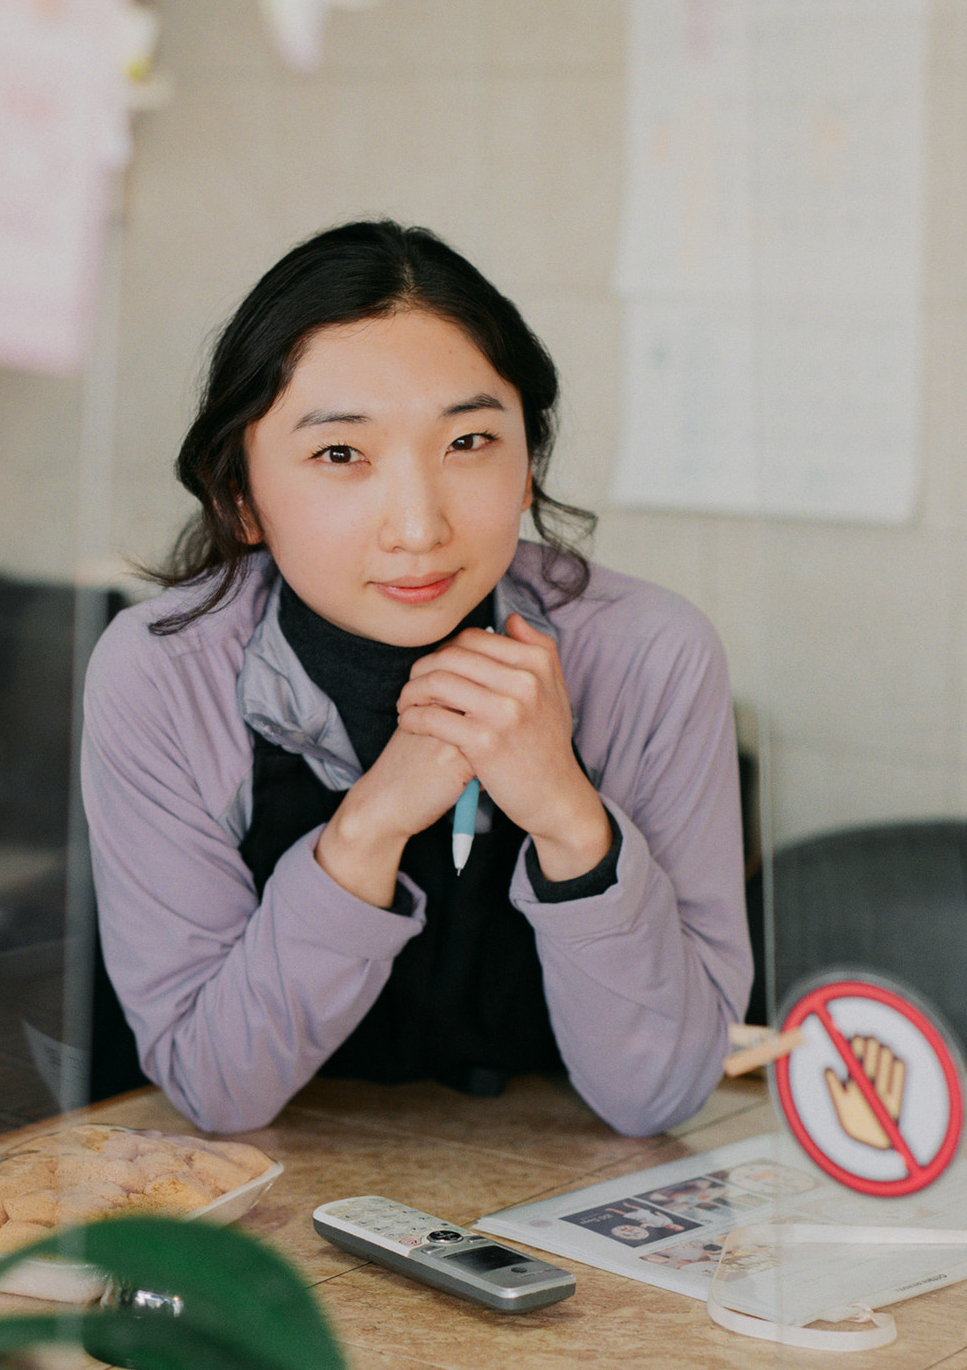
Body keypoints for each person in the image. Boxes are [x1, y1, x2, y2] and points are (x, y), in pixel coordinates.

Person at [80, 220, 747, 1137]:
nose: (419, 526)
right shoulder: (159, 672)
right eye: (342, 455)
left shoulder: (652, 655)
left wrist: (566, 814)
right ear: (240, 496)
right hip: (276, 1203)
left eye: (469, 442)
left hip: (559, 1193)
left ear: (526, 467)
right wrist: (368, 825)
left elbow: (661, 1095)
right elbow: (214, 1087)